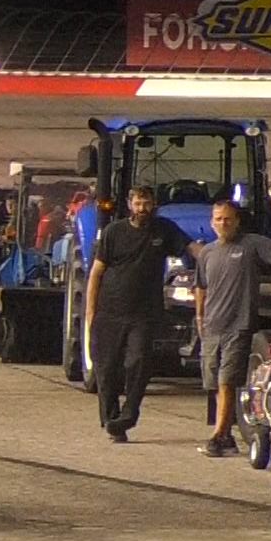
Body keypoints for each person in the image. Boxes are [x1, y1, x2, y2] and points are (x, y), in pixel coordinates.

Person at [85, 186, 198, 443]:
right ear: (129, 204)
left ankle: (129, 414)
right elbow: (95, 274)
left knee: (137, 363)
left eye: (146, 203)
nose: (142, 208)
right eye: (137, 203)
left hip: (144, 314)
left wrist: (216, 256)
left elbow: (192, 248)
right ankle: (112, 421)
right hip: (109, 312)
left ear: (154, 204)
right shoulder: (114, 232)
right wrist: (91, 311)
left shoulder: (164, 229)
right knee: (106, 368)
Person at [193, 200, 271, 456]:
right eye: (219, 219)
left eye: (228, 219)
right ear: (212, 222)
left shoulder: (251, 244)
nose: (224, 223)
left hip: (238, 325)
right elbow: (201, 287)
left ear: (237, 221)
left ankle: (218, 435)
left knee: (227, 380)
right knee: (213, 382)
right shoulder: (207, 252)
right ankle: (226, 437)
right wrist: (200, 317)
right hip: (212, 327)